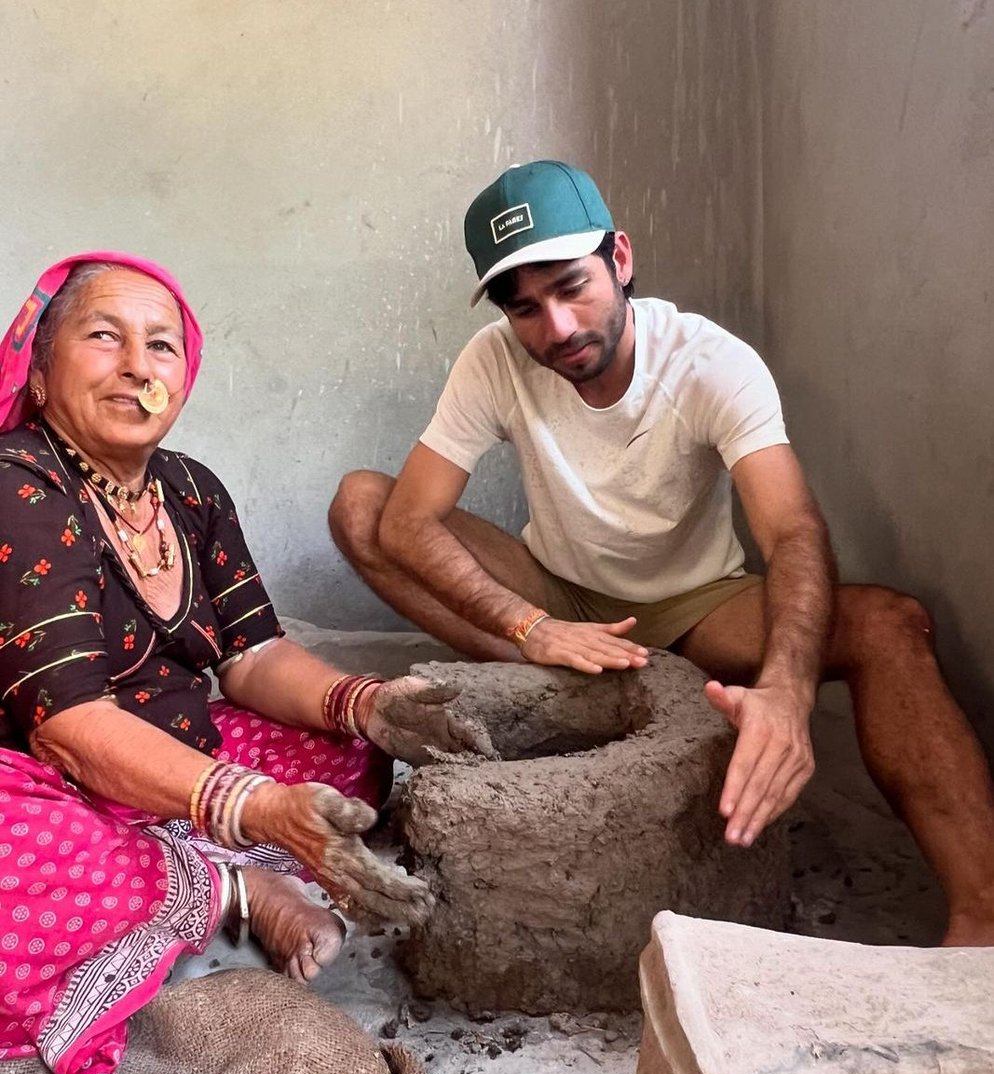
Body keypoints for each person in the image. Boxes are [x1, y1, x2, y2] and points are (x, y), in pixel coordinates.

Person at [330, 159, 994, 947]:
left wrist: (785, 692)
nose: (559, 328)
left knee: (889, 624)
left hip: (698, 607)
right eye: (527, 308)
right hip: (555, 594)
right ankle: (556, 682)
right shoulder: (496, 358)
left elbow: (792, 532)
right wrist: (528, 628)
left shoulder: (710, 362)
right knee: (363, 504)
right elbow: (405, 521)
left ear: (620, 259)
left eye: (572, 286)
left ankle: (981, 916)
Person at [0, 252, 481, 1074]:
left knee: (347, 757)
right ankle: (227, 888)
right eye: (104, 337)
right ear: (38, 370)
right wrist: (252, 807)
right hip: (45, 788)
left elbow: (252, 655)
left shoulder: (189, 489)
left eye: (162, 347)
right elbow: (70, 726)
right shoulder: (18, 485)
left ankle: (180, 879)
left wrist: (365, 703)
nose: (135, 366)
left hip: (169, 758)